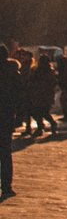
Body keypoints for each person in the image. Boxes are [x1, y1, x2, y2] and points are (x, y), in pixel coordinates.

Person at [0, 45, 21, 198]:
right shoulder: (14, 73)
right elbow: (19, 96)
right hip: (7, 115)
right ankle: (6, 185)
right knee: (5, 152)